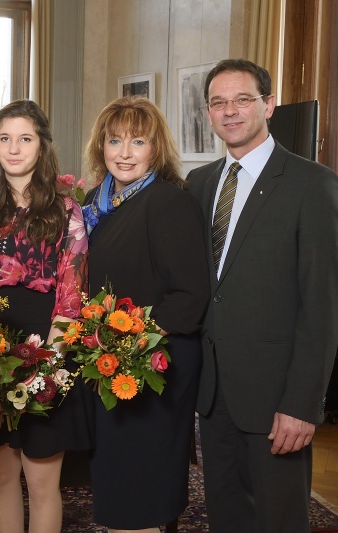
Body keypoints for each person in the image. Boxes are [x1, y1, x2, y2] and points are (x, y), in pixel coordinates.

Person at [187, 59, 338, 533]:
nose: (230, 111)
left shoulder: (311, 184)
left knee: (279, 520)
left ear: (268, 105)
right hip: (213, 396)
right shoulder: (200, 184)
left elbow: (323, 308)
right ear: (209, 113)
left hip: (277, 399)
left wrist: (302, 403)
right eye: (219, 102)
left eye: (242, 99)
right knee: (226, 517)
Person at [82, 96, 210, 532]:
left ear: (156, 149)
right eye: (114, 140)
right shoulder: (94, 204)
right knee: (118, 481)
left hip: (155, 360)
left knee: (143, 484)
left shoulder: (168, 202)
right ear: (101, 145)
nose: (124, 152)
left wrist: (136, 341)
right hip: (110, 360)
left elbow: (190, 296)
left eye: (138, 141)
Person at [0, 99, 93, 533]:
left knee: (42, 482)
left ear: (41, 145)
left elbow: (72, 293)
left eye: (25, 138)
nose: (14, 148)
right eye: (5, 139)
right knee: (2, 476)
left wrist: (51, 364)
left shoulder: (66, 210)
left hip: (48, 349)